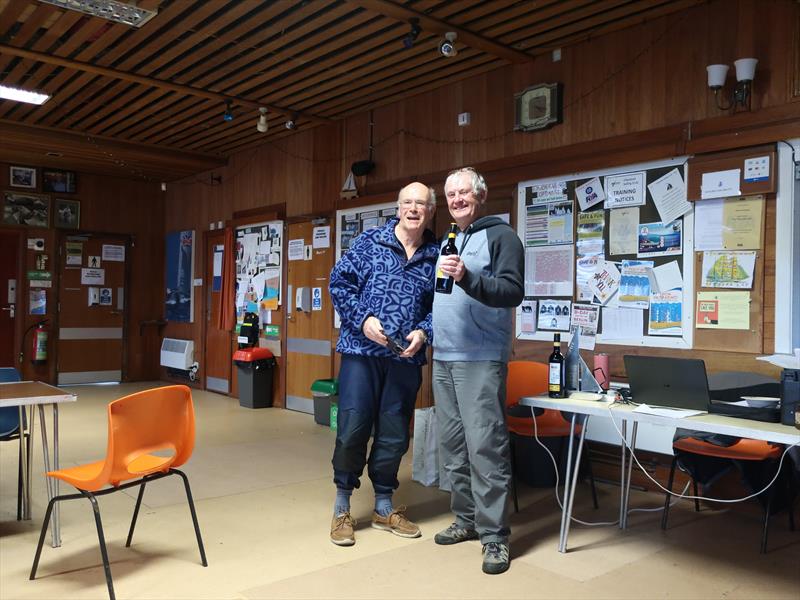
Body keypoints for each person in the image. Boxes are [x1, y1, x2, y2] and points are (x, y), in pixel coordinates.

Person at [327, 181, 438, 547]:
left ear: (430, 211)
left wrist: (423, 333)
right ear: (398, 206)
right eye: (407, 202)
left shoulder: (437, 255)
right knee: (353, 427)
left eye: (420, 203)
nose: (413, 208)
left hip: (405, 360)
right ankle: (342, 506)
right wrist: (362, 319)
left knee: (393, 435)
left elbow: (442, 307)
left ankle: (384, 506)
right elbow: (339, 283)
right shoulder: (369, 242)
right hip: (361, 353)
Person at [432, 167, 524, 575]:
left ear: (481, 195)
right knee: (452, 447)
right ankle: (466, 520)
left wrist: (468, 277)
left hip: (480, 357)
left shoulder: (501, 236)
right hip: (444, 358)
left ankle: (494, 538)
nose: (456, 199)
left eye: (463, 192)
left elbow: (512, 291)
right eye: (450, 194)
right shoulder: (450, 238)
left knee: (485, 448)